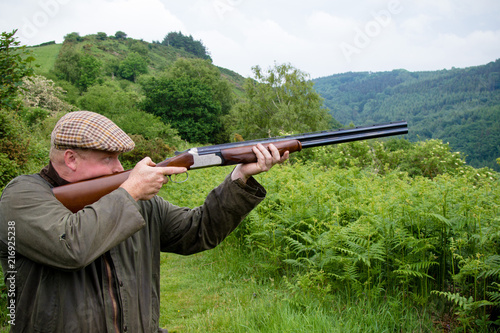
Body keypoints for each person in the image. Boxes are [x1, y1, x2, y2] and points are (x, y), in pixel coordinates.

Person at [0, 111, 289, 332]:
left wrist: (240, 178)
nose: (119, 168)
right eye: (108, 158)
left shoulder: (127, 198)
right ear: (71, 158)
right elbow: (71, 247)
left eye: (119, 158)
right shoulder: (22, 197)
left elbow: (198, 231)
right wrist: (130, 192)